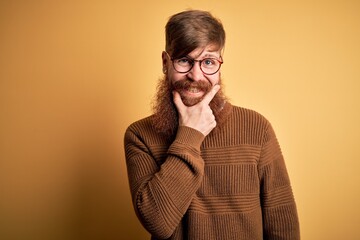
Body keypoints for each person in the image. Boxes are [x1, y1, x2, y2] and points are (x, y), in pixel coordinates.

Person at [124, 9, 300, 240]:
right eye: (184, 60)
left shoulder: (257, 128)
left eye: (208, 61)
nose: (196, 75)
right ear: (166, 63)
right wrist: (190, 135)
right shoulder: (140, 135)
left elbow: (282, 225)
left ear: (220, 65)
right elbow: (158, 222)